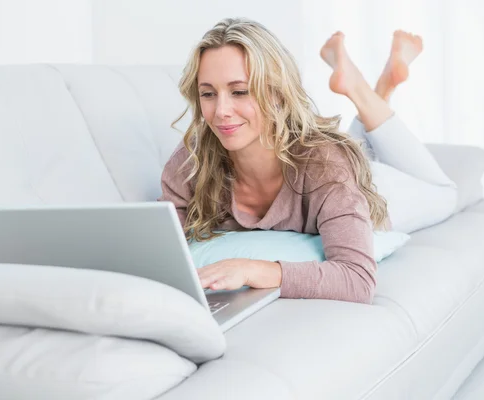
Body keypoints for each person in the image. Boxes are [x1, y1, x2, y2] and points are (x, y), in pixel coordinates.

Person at [158, 18, 457, 304]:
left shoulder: (325, 164)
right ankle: (382, 89)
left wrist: (254, 269)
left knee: (446, 194)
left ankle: (361, 90)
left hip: (375, 190)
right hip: (331, 172)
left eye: (239, 91)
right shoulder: (194, 159)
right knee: (346, 152)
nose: (220, 111)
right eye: (208, 94)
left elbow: (358, 280)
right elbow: (161, 248)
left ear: (277, 93)